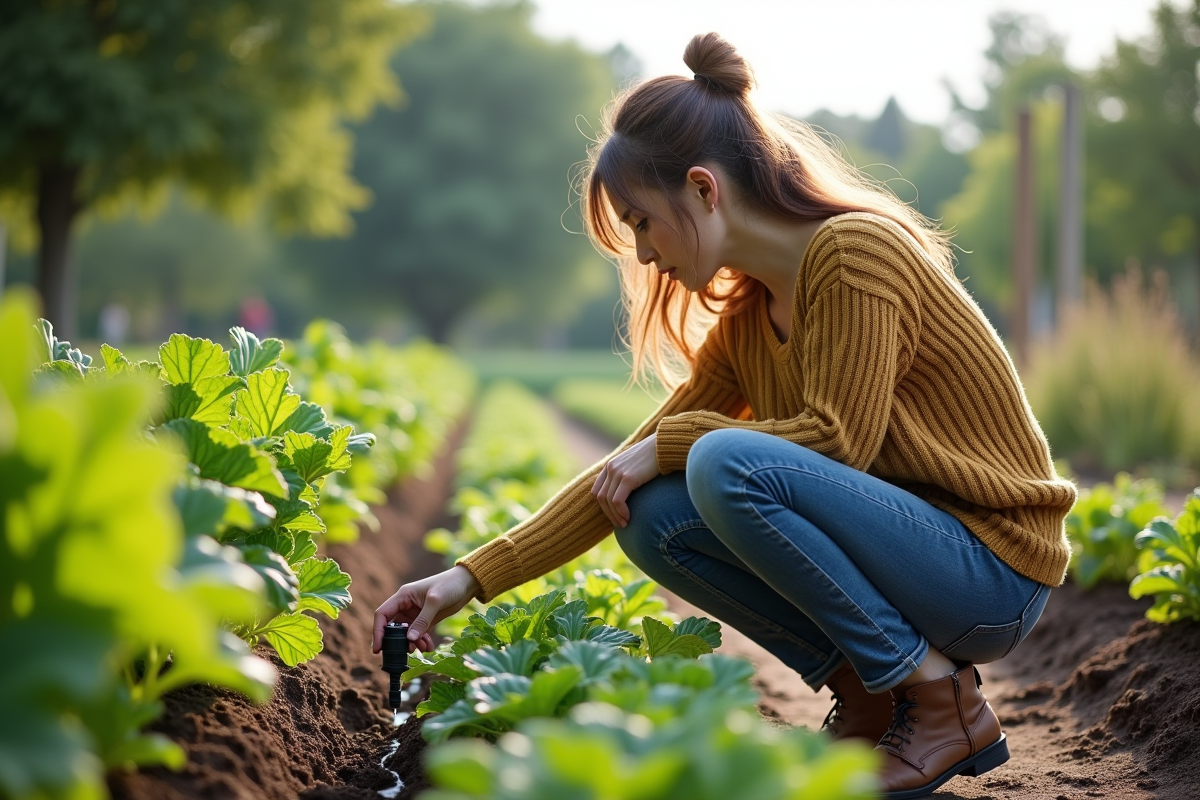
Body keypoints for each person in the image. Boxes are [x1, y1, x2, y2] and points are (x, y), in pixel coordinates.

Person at [372, 33, 1075, 799]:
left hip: (989, 571)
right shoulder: (747, 320)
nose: (643, 254)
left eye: (642, 222)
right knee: (648, 512)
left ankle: (941, 702)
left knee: (718, 461)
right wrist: (466, 578)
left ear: (704, 190)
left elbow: (837, 441)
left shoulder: (855, 254)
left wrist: (675, 444)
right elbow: (621, 472)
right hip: (914, 559)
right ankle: (874, 694)